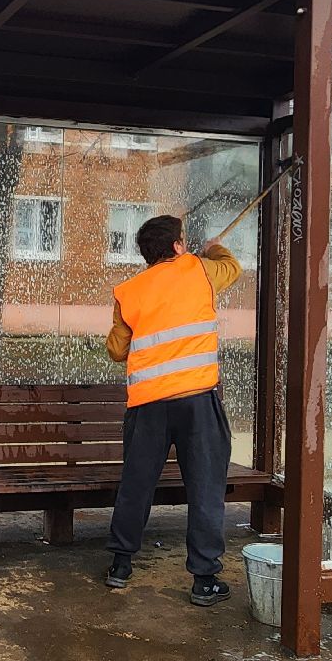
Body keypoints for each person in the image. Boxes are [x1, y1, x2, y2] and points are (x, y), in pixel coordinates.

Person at [103, 215, 241, 605]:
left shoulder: (128, 291)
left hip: (148, 407)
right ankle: (204, 580)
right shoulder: (201, 269)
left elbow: (116, 350)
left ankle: (120, 565)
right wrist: (213, 247)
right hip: (198, 401)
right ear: (179, 246)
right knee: (205, 488)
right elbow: (233, 267)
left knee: (136, 484)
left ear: (147, 254)